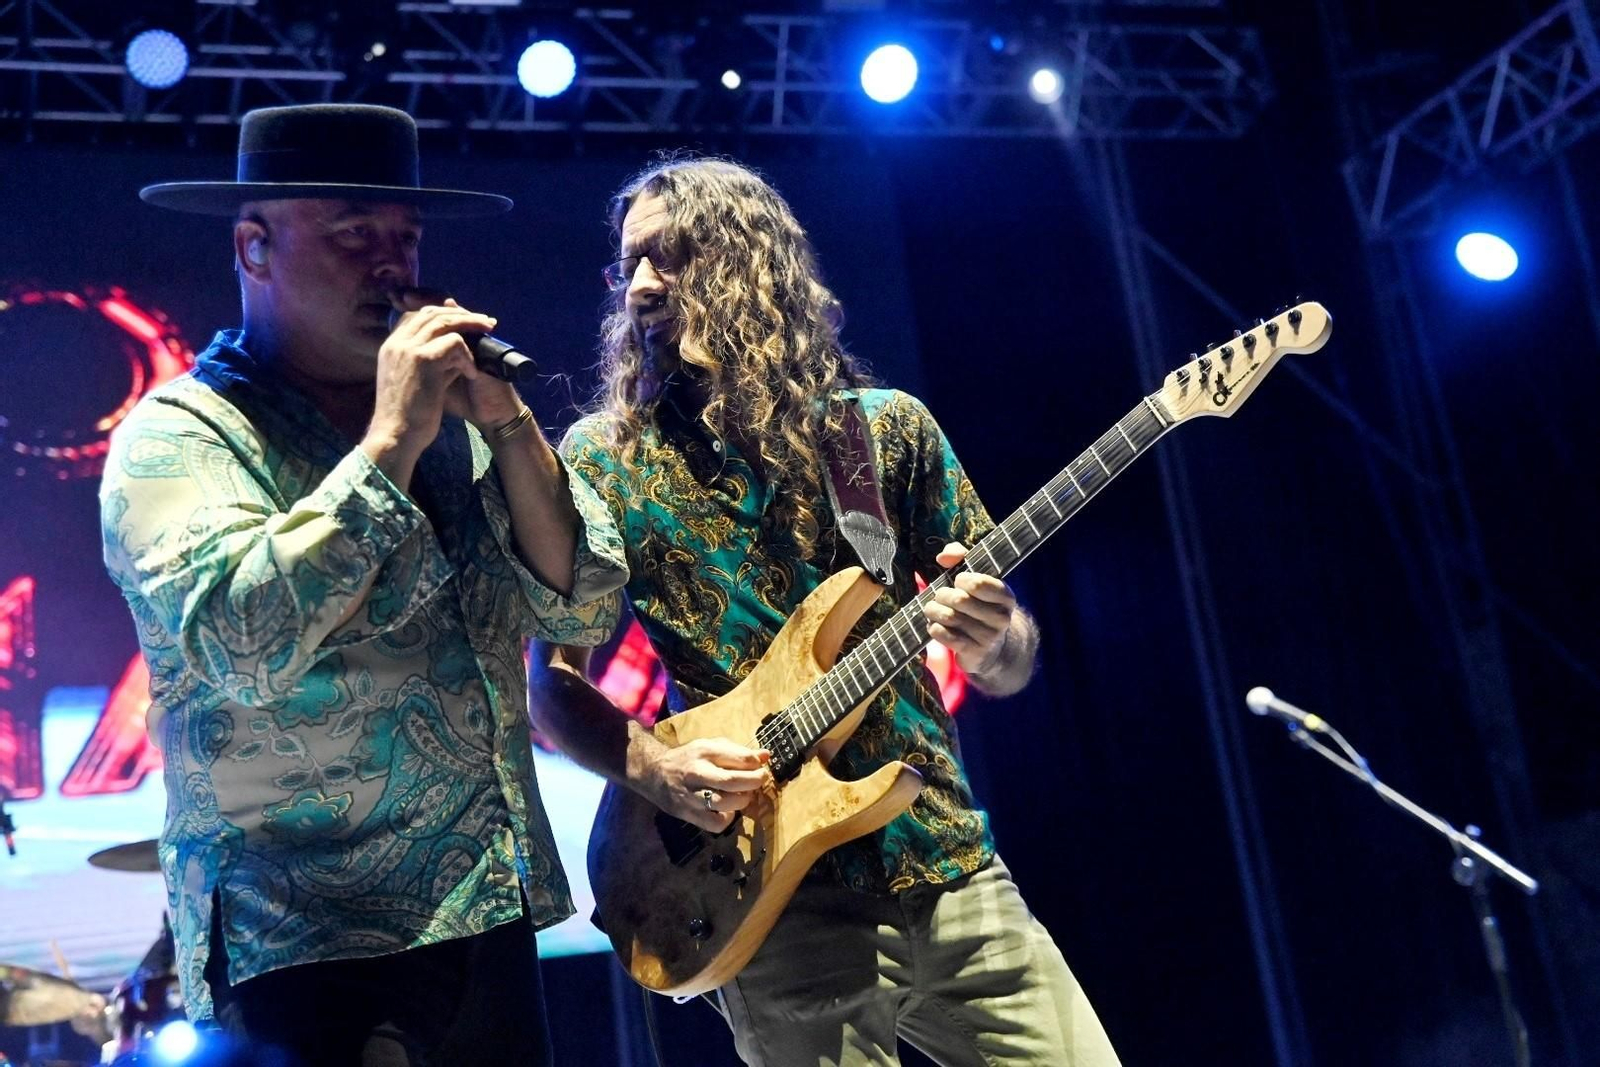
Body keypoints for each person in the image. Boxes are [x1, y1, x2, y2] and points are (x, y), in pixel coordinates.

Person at [530, 157, 1120, 1065]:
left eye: (668, 257)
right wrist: (655, 770)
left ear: (745, 262)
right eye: (629, 264)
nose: (641, 286)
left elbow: (1009, 664)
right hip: (770, 897)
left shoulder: (884, 430)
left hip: (949, 866)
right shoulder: (605, 459)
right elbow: (552, 687)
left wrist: (995, 635)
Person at [99, 104, 627, 1066]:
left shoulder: (453, 428)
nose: (391, 263)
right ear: (255, 247)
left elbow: (579, 600)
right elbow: (240, 644)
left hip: (482, 910)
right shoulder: (178, 436)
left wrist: (507, 424)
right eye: (353, 233)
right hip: (305, 939)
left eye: (405, 236)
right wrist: (389, 442)